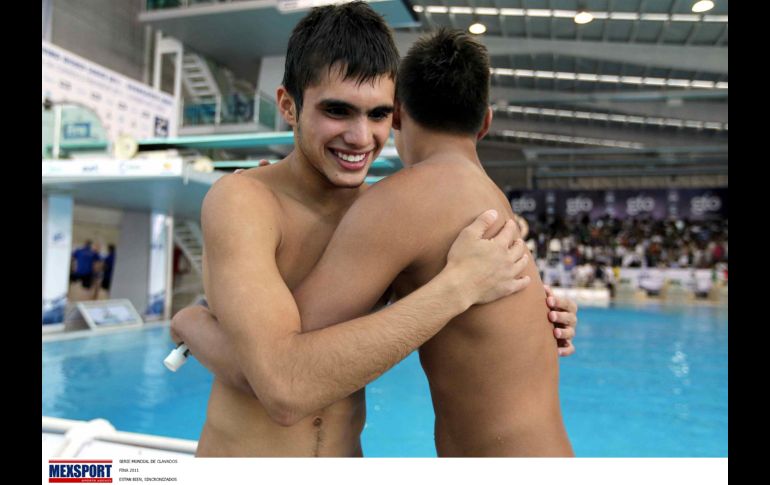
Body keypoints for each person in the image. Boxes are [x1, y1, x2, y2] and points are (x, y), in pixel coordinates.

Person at [173, 4, 577, 457]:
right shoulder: (245, 201)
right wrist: (458, 287)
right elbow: (282, 386)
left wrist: (536, 318)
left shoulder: (383, 214)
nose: (361, 137)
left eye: (378, 114)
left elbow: (453, 328)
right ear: (289, 105)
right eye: (338, 111)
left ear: (397, 115)